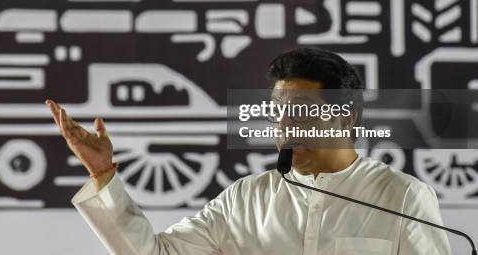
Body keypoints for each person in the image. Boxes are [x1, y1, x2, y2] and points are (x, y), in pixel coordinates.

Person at [45, 47, 452, 254]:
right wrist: (104, 175)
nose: (286, 126)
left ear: (346, 118)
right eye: (279, 113)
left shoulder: (402, 199)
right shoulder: (246, 199)